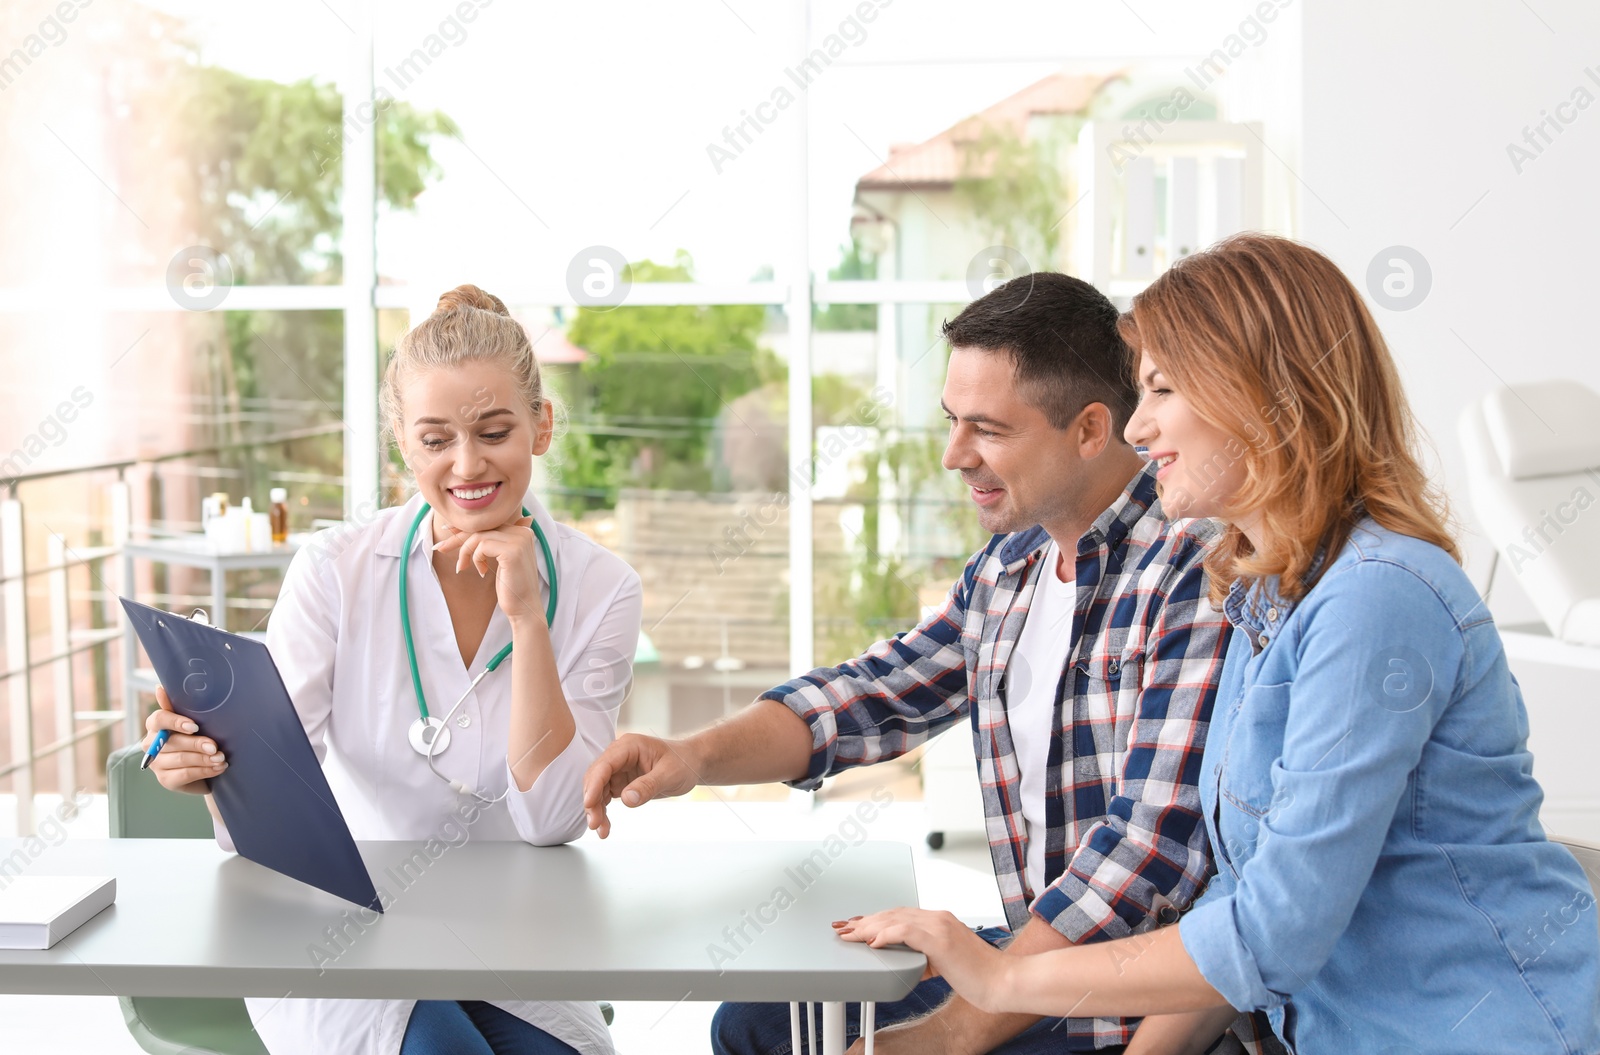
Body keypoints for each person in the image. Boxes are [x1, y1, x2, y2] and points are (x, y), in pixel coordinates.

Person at [833, 234, 1600, 1055]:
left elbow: (1269, 936)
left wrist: (1000, 978)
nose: (1138, 425)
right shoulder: (1263, 596)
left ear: (1264, 396)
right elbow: (1237, 900)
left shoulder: (1378, 596)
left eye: (1162, 388)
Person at [583, 273, 1247, 1054]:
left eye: (987, 429)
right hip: (1030, 952)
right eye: (951, 421)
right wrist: (692, 755)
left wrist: (946, 1038)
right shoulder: (1010, 568)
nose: (953, 454)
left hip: (1126, 1003)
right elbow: (871, 697)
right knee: (757, 1024)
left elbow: (1144, 856)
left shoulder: (1195, 574)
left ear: (1091, 429)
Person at [144, 285, 643, 1055]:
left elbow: (549, 821)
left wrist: (528, 618)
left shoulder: (604, 587)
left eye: (495, 431)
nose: (468, 464)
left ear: (540, 427)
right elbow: (269, 799)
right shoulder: (334, 569)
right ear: (401, 446)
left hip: (514, 936)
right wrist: (211, 768)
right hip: (345, 926)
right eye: (436, 438)